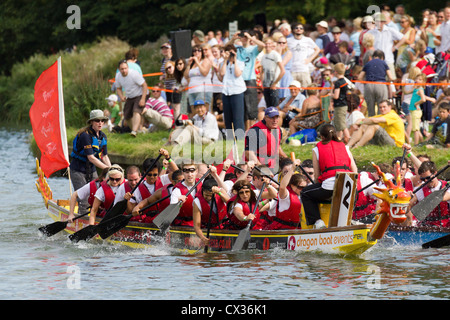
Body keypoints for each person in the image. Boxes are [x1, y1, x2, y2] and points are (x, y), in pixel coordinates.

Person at [300, 124, 358, 228]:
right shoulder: (345, 147)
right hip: (349, 188)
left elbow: (317, 174)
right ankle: (349, 219)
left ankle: (318, 222)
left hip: (328, 188)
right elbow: (355, 171)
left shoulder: (316, 149)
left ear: (322, 137)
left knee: (305, 193)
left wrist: (318, 189)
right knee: (352, 193)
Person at [69, 109, 111, 213]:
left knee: (97, 195)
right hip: (78, 170)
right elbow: (91, 157)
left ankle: (96, 217)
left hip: (91, 170)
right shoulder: (85, 136)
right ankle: (83, 219)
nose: (100, 123)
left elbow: (104, 156)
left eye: (102, 120)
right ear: (91, 122)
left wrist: (112, 169)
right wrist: (106, 168)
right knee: (84, 199)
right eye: (97, 120)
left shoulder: (103, 137)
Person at [234, 31, 266, 130]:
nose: (243, 38)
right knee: (241, 108)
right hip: (238, 80)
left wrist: (251, 38)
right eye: (242, 37)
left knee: (251, 108)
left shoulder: (253, 49)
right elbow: (223, 48)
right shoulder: (237, 48)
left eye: (245, 37)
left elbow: (263, 45)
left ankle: (251, 131)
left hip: (250, 79)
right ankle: (243, 132)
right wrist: (233, 39)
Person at [264, 158, 306, 230]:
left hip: (298, 229)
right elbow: (282, 187)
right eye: (300, 187)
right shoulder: (286, 195)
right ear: (292, 186)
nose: (303, 190)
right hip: (283, 229)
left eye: (304, 187)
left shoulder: (305, 194)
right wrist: (292, 168)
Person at [408, 161, 450, 228]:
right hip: (428, 227)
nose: (426, 181)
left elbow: (444, 197)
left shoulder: (447, 186)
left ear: (435, 173)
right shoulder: (420, 190)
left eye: (428, 178)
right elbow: (408, 205)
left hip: (446, 226)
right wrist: (406, 198)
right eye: (423, 179)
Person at [218, 43, 247, 136]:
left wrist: (234, 60)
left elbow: (237, 74)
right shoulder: (222, 63)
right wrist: (225, 59)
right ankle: (230, 138)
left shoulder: (240, 62)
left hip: (237, 91)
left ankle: (240, 138)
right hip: (226, 92)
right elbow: (222, 74)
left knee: (238, 117)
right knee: (228, 117)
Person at [115, 60, 148, 137]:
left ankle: (134, 131)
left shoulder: (134, 74)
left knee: (136, 111)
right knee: (126, 115)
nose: (124, 70)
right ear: (119, 69)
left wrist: (143, 99)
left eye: (125, 68)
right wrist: (121, 97)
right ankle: (138, 130)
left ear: (128, 67)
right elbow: (118, 88)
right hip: (130, 96)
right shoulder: (118, 76)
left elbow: (144, 85)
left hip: (140, 94)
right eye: (122, 69)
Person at [193, 178, 230, 246]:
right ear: (202, 191)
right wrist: (203, 238)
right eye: (206, 195)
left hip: (223, 227)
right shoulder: (197, 202)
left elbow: (230, 203)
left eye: (211, 195)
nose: (208, 198)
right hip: (207, 228)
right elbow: (197, 226)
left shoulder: (220, 191)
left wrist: (219, 193)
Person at [358, 50, 395, 116]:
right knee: (381, 108)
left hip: (369, 86)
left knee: (370, 110)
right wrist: (387, 81)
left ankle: (371, 124)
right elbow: (390, 77)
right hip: (381, 85)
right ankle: (379, 125)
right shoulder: (384, 63)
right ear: (382, 58)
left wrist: (366, 83)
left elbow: (359, 77)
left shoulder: (368, 63)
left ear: (373, 57)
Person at [287, 22, 320, 88]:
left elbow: (317, 49)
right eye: (297, 28)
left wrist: (310, 59)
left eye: (301, 28)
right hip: (292, 70)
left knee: (307, 90)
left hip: (304, 69)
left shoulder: (307, 40)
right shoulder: (288, 40)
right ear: (293, 30)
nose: (299, 29)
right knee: (292, 91)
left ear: (303, 30)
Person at [409, 72, 436, 145]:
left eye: (420, 79)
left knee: (415, 130)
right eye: (417, 79)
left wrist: (416, 104)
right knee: (416, 128)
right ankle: (421, 143)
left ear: (423, 82)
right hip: (413, 110)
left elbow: (423, 99)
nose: (418, 80)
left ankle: (416, 144)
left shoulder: (420, 89)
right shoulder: (417, 88)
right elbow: (424, 96)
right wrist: (430, 99)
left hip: (415, 111)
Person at [184, 44, 213, 110]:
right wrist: (188, 65)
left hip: (203, 90)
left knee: (203, 112)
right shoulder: (192, 63)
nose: (196, 52)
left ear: (202, 52)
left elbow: (204, 73)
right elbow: (186, 76)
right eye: (194, 51)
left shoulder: (206, 60)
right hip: (192, 91)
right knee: (195, 114)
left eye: (199, 50)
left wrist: (197, 62)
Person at [259, 37, 285, 108]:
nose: (267, 45)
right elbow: (261, 72)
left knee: (275, 107)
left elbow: (283, 71)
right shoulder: (263, 56)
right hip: (266, 85)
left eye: (269, 44)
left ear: (272, 44)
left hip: (274, 86)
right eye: (266, 44)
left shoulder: (275, 55)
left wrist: (275, 83)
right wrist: (261, 83)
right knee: (268, 106)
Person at [332, 63, 350, 141]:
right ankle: (338, 139)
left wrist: (330, 94)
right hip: (344, 104)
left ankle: (347, 138)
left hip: (339, 105)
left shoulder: (338, 83)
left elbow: (336, 96)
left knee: (341, 125)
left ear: (336, 72)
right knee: (339, 124)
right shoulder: (344, 81)